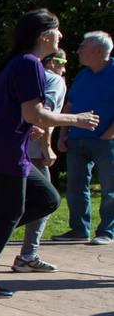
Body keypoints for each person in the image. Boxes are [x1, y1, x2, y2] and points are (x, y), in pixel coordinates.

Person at [0, 10, 98, 298]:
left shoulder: (13, 63)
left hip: (0, 148)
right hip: (5, 152)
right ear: (45, 36)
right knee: (11, 213)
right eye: (58, 31)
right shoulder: (30, 64)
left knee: (47, 198)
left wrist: (16, 123)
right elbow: (36, 113)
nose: (61, 36)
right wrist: (76, 119)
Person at [12, 49, 69, 271]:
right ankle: (27, 255)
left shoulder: (22, 76)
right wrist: (47, 148)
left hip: (12, 147)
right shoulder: (54, 80)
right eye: (62, 61)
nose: (64, 68)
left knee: (20, 201)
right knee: (46, 201)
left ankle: (27, 254)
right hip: (34, 151)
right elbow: (44, 115)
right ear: (52, 61)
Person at [55, 31, 114, 244]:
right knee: (75, 188)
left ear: (99, 51)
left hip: (106, 141)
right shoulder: (83, 74)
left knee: (110, 189)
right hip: (76, 138)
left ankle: (106, 232)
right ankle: (79, 230)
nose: (78, 50)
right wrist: (63, 133)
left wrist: (109, 134)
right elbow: (70, 105)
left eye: (83, 46)